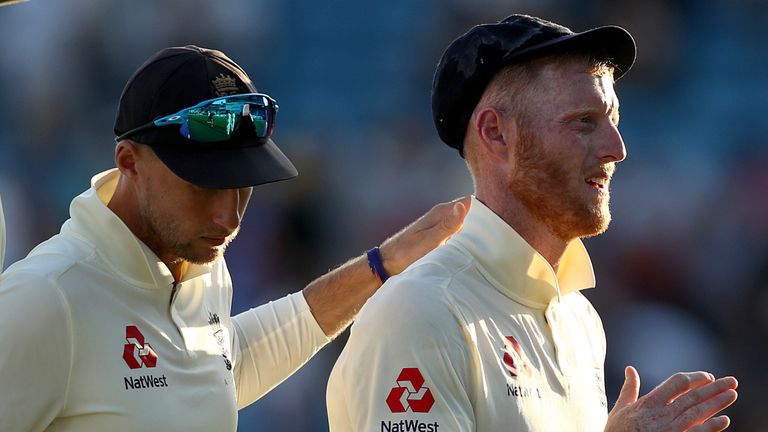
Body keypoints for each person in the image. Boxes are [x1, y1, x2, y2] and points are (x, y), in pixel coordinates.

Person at [0, 45, 469, 431]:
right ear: (129, 161)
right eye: (202, 186)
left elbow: (217, 371)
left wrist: (381, 265)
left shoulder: (200, 260)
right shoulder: (46, 297)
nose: (228, 217)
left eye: (242, 187)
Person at [326, 14, 738, 432]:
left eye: (613, 119)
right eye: (583, 121)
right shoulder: (420, 310)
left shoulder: (578, 317)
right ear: (496, 133)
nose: (617, 148)